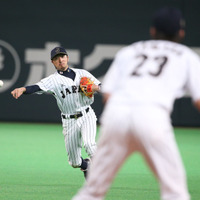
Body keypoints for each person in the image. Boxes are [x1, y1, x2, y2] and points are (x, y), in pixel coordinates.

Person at [72, 7, 200, 200]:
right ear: (181, 32)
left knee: (92, 191)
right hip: (153, 118)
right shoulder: (187, 55)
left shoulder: (130, 51)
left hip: (116, 115)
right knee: (176, 193)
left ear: (152, 31)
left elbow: (107, 94)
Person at [11, 46, 101, 179]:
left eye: (62, 56)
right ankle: (87, 166)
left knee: (90, 145)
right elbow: (36, 87)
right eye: (56, 58)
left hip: (87, 114)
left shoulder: (83, 74)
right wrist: (23, 89)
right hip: (69, 120)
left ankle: (102, 175)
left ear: (67, 58)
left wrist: (95, 88)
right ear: (52, 62)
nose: (60, 60)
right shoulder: (53, 80)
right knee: (75, 162)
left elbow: (102, 86)